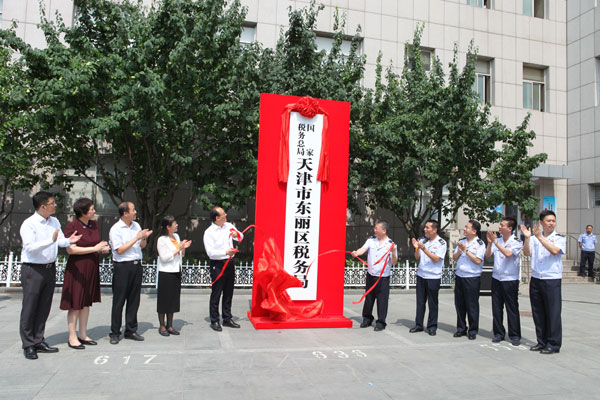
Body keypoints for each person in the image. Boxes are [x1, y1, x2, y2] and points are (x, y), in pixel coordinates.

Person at [19, 191, 81, 360]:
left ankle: (39, 339)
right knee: (30, 307)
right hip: (33, 269)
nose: (55, 205)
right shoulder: (29, 224)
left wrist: (69, 240)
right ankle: (28, 344)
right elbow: (29, 247)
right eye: (52, 203)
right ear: (43, 206)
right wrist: (50, 241)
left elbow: (60, 240)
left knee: (44, 306)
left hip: (49, 268)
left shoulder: (54, 221)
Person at [60, 198, 110, 350]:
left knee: (86, 302)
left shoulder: (94, 224)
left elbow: (95, 244)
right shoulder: (72, 226)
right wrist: (94, 248)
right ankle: (72, 336)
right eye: (92, 209)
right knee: (75, 303)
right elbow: (71, 249)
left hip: (91, 266)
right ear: (83, 212)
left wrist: (102, 248)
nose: (94, 211)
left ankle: (82, 333)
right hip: (77, 268)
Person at [521, 210, 565, 355]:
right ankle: (542, 341)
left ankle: (553, 344)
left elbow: (554, 251)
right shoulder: (534, 238)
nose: (551, 223)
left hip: (551, 279)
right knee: (538, 312)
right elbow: (527, 253)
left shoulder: (559, 238)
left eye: (553, 221)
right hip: (537, 278)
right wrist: (528, 238)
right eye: (548, 221)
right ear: (541, 222)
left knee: (553, 312)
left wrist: (540, 238)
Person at [108, 202, 152, 344]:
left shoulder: (136, 226)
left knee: (134, 300)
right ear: (125, 213)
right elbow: (119, 250)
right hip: (122, 267)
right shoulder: (116, 229)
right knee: (119, 301)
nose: (135, 212)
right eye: (133, 210)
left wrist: (143, 237)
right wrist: (136, 238)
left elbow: (142, 246)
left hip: (136, 265)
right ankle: (115, 332)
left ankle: (131, 330)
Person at [351, 220, 398, 331]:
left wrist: (394, 251)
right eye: (375, 228)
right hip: (371, 275)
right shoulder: (371, 240)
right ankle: (367, 319)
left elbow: (394, 262)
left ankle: (381, 322)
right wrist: (356, 253)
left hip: (383, 278)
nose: (374, 230)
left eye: (377, 228)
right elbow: (363, 249)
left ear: (384, 230)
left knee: (382, 300)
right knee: (369, 298)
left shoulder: (391, 244)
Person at [203, 206, 243, 332]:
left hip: (230, 263)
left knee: (229, 292)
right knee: (217, 292)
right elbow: (211, 253)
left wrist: (237, 235)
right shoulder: (209, 232)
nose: (226, 215)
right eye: (223, 214)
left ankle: (227, 318)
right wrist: (226, 252)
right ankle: (214, 320)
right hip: (218, 264)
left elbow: (240, 237)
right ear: (217, 218)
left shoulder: (228, 225)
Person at [485, 217, 523, 346]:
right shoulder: (498, 241)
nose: (499, 227)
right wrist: (490, 243)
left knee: (511, 308)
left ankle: (515, 335)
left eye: (502, 225)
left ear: (510, 228)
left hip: (510, 279)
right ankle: (498, 333)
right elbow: (488, 255)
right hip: (497, 278)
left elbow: (508, 254)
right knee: (496, 307)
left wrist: (496, 242)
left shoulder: (516, 241)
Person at [410, 220, 447, 336]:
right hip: (421, 275)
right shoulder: (423, 240)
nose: (425, 229)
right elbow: (417, 257)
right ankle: (418, 325)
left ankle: (432, 326)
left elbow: (436, 259)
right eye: (425, 227)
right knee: (420, 302)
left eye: (427, 228)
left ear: (435, 230)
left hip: (433, 276)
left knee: (432, 302)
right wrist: (416, 248)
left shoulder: (441, 243)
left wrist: (424, 248)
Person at [156, 216, 191, 337]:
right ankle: (162, 325)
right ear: (168, 227)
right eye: (175, 223)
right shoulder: (162, 240)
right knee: (164, 300)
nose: (177, 225)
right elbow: (165, 258)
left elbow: (181, 255)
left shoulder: (176, 237)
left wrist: (183, 248)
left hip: (176, 270)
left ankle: (170, 325)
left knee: (173, 300)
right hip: (166, 272)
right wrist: (178, 248)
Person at [451, 220, 485, 340]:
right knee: (459, 304)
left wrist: (466, 250)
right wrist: (460, 251)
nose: (464, 229)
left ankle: (473, 329)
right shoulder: (461, 241)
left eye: (467, 227)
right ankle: (461, 328)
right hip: (460, 276)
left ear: (474, 231)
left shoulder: (480, 243)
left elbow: (477, 261)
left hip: (472, 277)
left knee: (472, 305)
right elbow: (454, 258)